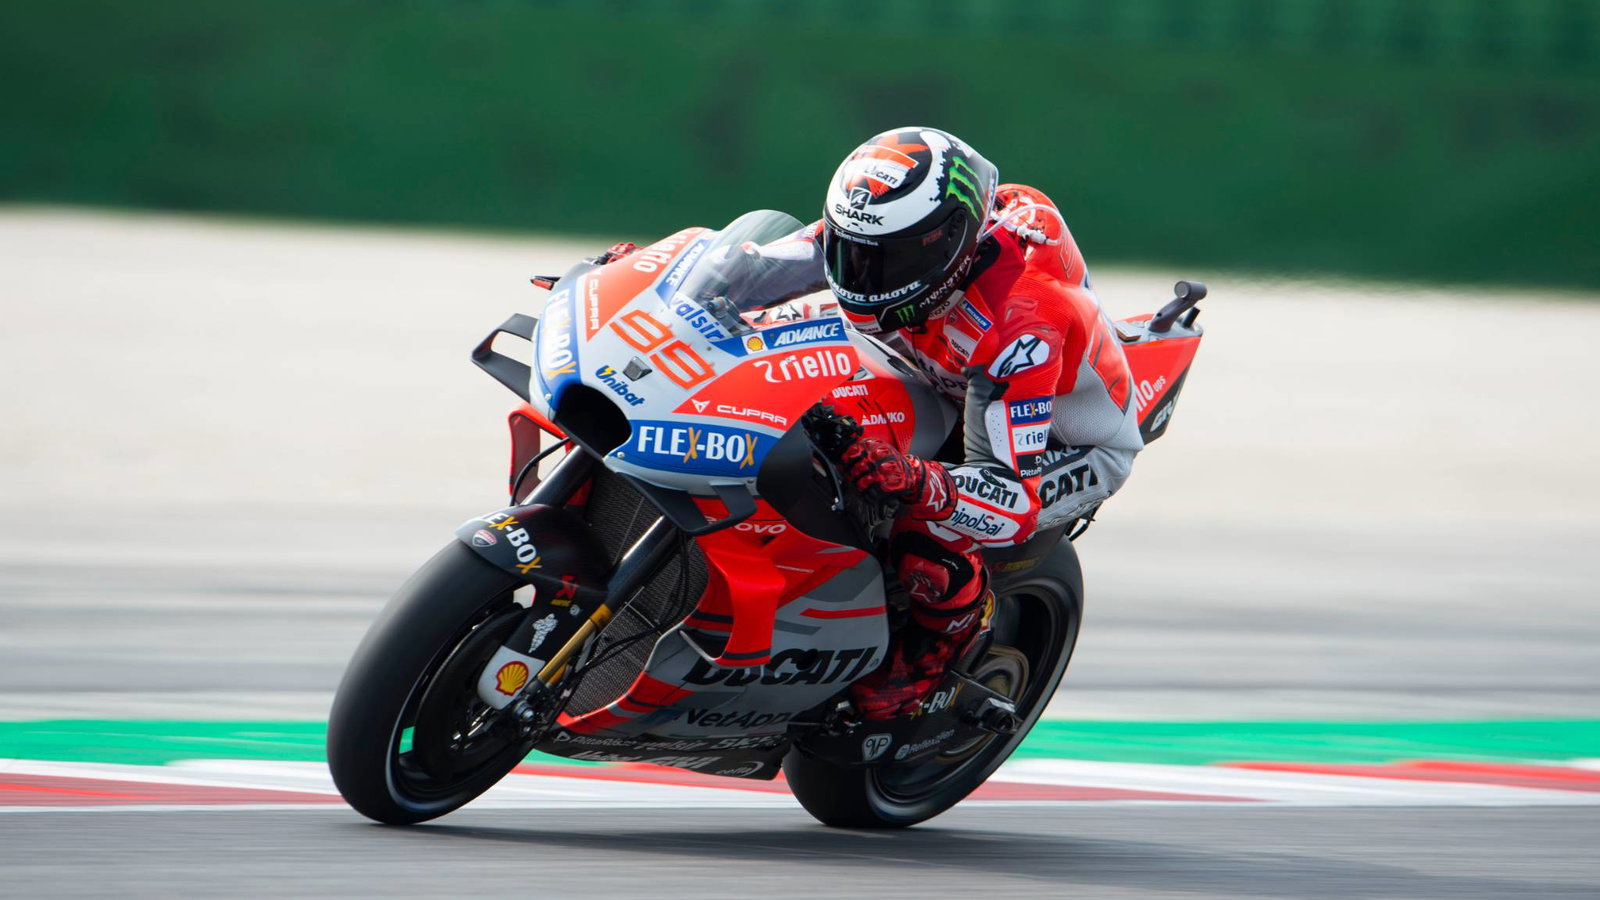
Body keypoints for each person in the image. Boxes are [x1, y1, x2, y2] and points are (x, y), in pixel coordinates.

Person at [779, 126, 1146, 720]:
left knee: (929, 527)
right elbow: (765, 266)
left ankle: (940, 645)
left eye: (886, 260)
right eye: (853, 253)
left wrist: (912, 478)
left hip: (1065, 438)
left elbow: (1010, 499)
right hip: (946, 382)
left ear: (949, 244)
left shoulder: (1021, 319)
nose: (861, 275)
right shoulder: (896, 227)